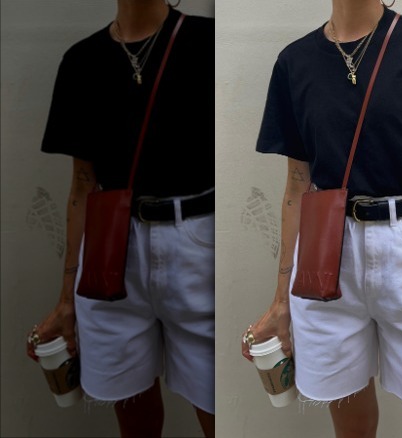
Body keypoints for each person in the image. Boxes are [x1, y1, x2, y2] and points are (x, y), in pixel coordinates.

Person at [240, 0, 402, 436]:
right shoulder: (295, 62)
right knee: (352, 427)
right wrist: (281, 299)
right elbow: (296, 187)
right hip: (325, 259)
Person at [25, 1, 215, 436]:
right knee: (132, 412)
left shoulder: (205, 42)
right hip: (110, 248)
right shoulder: (81, 60)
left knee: (212, 403)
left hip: (198, 241)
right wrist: (65, 299)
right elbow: (81, 186)